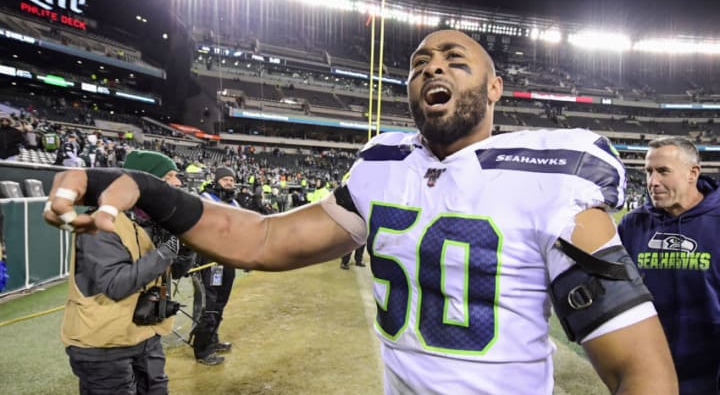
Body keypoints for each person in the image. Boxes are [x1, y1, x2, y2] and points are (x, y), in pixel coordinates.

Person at [44, 30, 678, 394]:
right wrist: (141, 185)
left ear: (493, 90)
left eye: (457, 61)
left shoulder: (552, 173)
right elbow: (261, 239)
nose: (434, 67)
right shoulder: (382, 167)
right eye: (420, 64)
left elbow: (638, 367)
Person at [59, 149, 187, 394]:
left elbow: (178, 272)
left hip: (144, 335)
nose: (177, 183)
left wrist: (185, 246)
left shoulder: (149, 221)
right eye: (169, 176)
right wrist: (167, 251)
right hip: (103, 345)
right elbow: (116, 285)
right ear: (144, 182)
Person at [618, 136, 720, 394]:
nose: (653, 182)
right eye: (649, 171)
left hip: (710, 374)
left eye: (663, 171)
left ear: (692, 173)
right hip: (647, 373)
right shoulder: (632, 224)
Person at [193, 166, 239, 365]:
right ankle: (202, 350)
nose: (229, 183)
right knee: (209, 304)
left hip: (227, 259)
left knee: (221, 302)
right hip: (209, 259)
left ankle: (212, 339)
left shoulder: (235, 202)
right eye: (225, 180)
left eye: (231, 180)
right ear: (217, 181)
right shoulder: (206, 198)